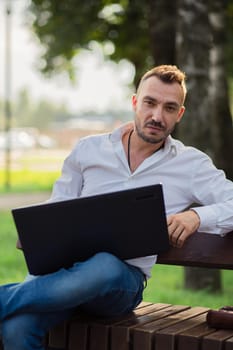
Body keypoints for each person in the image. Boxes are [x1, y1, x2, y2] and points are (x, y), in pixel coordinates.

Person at [1, 64, 233, 350]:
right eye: (150, 103)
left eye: (169, 108)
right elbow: (58, 207)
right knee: (16, 328)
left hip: (120, 284)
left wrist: (197, 215)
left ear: (179, 114)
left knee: (105, 265)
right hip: (62, 274)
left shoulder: (191, 164)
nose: (157, 116)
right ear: (135, 102)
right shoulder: (88, 150)